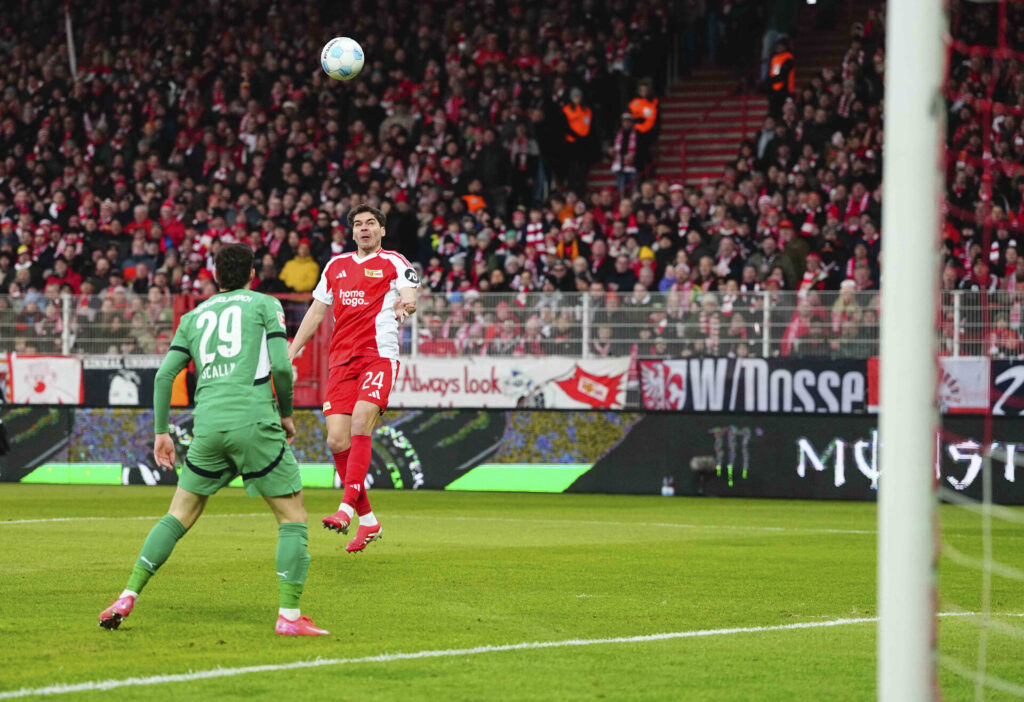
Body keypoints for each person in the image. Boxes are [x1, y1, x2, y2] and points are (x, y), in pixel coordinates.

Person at [98, 244, 327, 636]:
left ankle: (127, 594)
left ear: (216, 276)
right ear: (252, 273)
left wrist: (161, 432)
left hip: (207, 427)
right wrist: (286, 414)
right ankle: (289, 616)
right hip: (254, 421)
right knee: (292, 518)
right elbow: (283, 367)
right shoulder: (264, 304)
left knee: (178, 515)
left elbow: (164, 377)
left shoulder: (192, 316)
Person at [288, 205, 419, 552]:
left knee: (362, 420)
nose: (364, 229)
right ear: (352, 232)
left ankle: (346, 508)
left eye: (371, 223)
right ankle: (370, 521)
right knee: (335, 440)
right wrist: (292, 350)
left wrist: (406, 305)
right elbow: (317, 311)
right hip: (341, 363)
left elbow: (409, 295)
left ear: (382, 230)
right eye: (358, 224)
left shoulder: (394, 261)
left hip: (378, 357)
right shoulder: (336, 266)